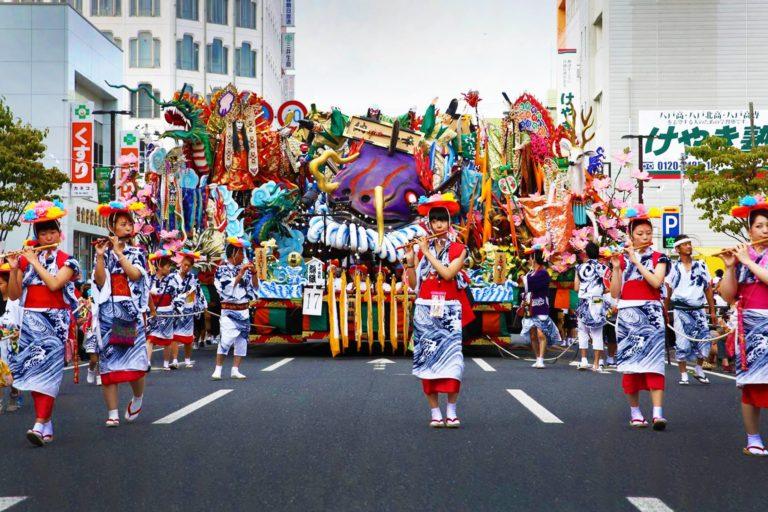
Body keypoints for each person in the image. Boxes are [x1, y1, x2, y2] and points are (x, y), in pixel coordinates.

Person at [6, 200, 79, 446]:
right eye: (43, 233)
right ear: (36, 236)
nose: (47, 236)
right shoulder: (26, 261)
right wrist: (16, 269)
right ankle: (45, 422)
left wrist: (34, 262)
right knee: (35, 373)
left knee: (49, 372)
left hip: (55, 321)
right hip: (30, 320)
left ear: (59, 233)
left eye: (51, 232)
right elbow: (14, 295)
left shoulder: (69, 261)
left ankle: (38, 425)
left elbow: (55, 284)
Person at [403, 192, 474, 428]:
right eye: (434, 221)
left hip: (449, 310)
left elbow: (447, 274)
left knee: (453, 362)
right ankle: (435, 412)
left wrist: (428, 252)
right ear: (429, 223)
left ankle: (451, 410)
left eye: (441, 220)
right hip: (425, 309)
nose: (438, 225)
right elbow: (414, 284)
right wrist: (411, 260)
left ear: (448, 222)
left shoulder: (459, 248)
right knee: (427, 362)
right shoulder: (423, 250)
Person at [609, 206, 669, 430]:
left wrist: (636, 261)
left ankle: (657, 413)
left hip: (651, 314)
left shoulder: (659, 257)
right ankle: (635, 412)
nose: (645, 237)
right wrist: (616, 268)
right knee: (631, 365)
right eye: (640, 233)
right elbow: (615, 293)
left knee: (654, 363)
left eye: (648, 233)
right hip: (627, 314)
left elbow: (656, 282)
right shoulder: (622, 259)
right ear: (631, 235)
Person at [92, 201, 150, 428]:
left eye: (129, 224)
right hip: (108, 313)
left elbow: (136, 276)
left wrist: (119, 253)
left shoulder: (137, 252)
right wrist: (99, 256)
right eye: (123, 224)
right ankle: (113, 412)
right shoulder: (103, 251)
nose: (127, 227)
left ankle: (138, 397)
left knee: (134, 365)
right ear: (112, 227)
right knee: (108, 364)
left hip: (128, 313)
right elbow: (99, 281)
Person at [718, 197, 768, 456]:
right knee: (752, 384)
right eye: (760, 226)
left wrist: (747, 262)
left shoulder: (750, 258)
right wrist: (729, 267)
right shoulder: (740, 254)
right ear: (750, 230)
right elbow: (728, 296)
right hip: (750, 325)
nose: (765, 231)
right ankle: (753, 438)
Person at [665, 234, 717, 385]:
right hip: (680, 310)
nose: (689, 246)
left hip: (699, 309)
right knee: (682, 342)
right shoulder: (674, 267)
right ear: (678, 248)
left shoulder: (701, 265)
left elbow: (708, 289)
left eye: (689, 244)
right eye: (685, 244)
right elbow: (668, 290)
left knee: (703, 339)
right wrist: (665, 310)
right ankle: (683, 374)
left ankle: (699, 370)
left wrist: (712, 311)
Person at [212, 237, 257, 380]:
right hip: (229, 311)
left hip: (243, 309)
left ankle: (235, 369)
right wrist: (240, 273)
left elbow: (255, 287)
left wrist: (254, 273)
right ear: (233, 254)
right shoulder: (221, 269)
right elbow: (225, 288)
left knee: (241, 341)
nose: (243, 256)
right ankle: (218, 369)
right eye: (241, 253)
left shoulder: (243, 269)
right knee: (225, 340)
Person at [520, 247, 561, 369]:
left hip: (541, 304)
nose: (528, 260)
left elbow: (532, 286)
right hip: (530, 305)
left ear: (534, 258)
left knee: (540, 333)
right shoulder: (530, 273)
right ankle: (537, 357)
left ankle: (541, 358)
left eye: (530, 257)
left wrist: (524, 279)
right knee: (532, 334)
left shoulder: (543, 273)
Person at [574, 242, 609, 372]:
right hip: (598, 300)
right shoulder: (604, 268)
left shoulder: (579, 268)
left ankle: (583, 360)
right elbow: (609, 287)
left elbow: (576, 288)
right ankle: (596, 363)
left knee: (582, 331)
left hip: (583, 299)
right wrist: (599, 291)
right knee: (597, 333)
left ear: (586, 253)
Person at [171, 250, 207, 368]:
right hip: (176, 308)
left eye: (188, 266)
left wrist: (202, 305)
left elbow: (198, 292)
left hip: (189, 307)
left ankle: (187, 359)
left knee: (188, 336)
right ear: (180, 263)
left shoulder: (193, 278)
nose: (186, 267)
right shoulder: (173, 276)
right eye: (184, 264)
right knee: (175, 335)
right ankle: (175, 359)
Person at [146, 250, 179, 370]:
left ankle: (166, 363)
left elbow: (177, 296)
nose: (169, 269)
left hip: (168, 312)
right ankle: (147, 362)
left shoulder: (172, 280)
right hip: (153, 311)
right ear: (159, 266)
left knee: (167, 339)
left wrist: (177, 310)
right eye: (167, 266)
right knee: (151, 337)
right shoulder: (149, 279)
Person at [0, 262, 22, 413]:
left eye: (1, 283)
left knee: (12, 370)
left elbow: (21, 320)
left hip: (13, 341)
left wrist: (18, 332)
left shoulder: (16, 301)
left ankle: (14, 394)